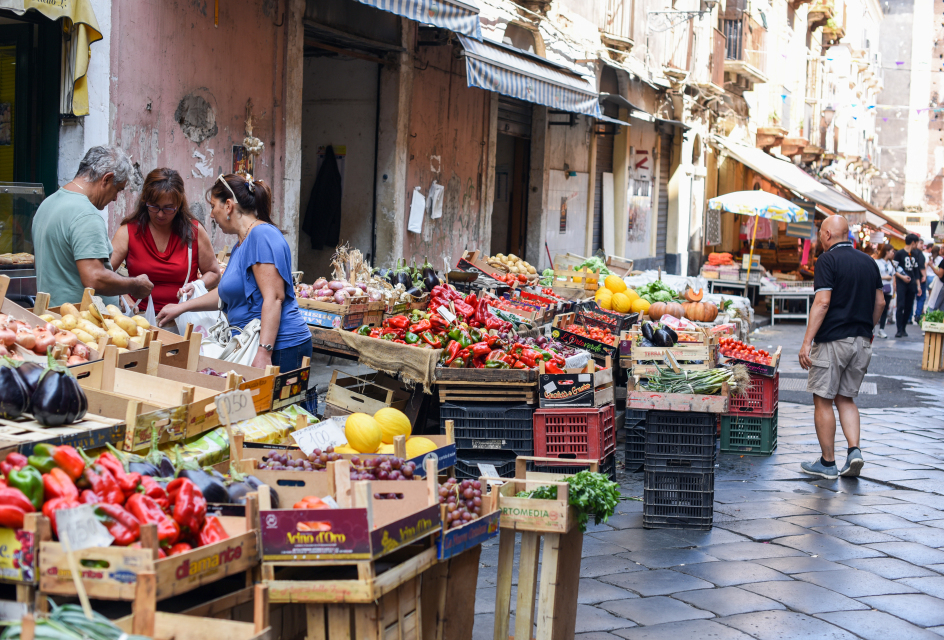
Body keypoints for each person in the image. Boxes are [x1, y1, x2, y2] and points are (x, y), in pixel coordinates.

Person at [155, 174, 312, 371]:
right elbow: (224, 295)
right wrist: (182, 307)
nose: (211, 215)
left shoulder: (261, 235)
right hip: (251, 344)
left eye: (213, 206)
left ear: (228, 206)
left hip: (281, 348)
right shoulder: (242, 243)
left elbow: (274, 298)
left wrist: (264, 352)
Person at [799, 215, 884, 479]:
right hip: (861, 340)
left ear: (826, 235)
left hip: (832, 341)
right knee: (846, 398)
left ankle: (827, 463)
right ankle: (854, 451)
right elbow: (880, 303)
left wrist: (806, 341)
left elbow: (822, 302)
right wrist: (866, 330)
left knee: (823, 399)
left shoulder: (827, 260)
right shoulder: (869, 262)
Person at [32, 146, 153, 307]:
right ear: (106, 179)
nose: (116, 198)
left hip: (54, 316)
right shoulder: (86, 214)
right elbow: (94, 277)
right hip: (79, 324)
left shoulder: (48, 203)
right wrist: (135, 284)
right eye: (117, 189)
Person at [109, 168, 221, 330]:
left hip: (183, 321)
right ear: (145, 201)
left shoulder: (194, 232)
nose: (160, 214)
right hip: (139, 321)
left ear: (179, 204)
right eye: (154, 207)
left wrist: (197, 285)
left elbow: (214, 273)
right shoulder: (128, 231)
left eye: (168, 208)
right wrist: (123, 294)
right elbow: (104, 273)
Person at [893, 233, 921, 338]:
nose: (917, 245)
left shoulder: (915, 254)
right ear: (913, 242)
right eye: (917, 243)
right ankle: (899, 329)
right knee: (900, 306)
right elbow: (893, 269)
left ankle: (904, 328)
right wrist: (902, 277)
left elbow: (916, 271)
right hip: (902, 284)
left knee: (909, 307)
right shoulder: (899, 253)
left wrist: (918, 285)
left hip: (912, 284)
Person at [872, 244, 895, 339]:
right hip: (878, 288)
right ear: (887, 251)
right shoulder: (877, 262)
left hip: (888, 289)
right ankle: (872, 326)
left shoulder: (891, 264)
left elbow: (894, 277)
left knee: (885, 308)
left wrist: (894, 289)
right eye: (892, 251)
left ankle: (881, 329)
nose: (893, 253)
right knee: (875, 307)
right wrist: (885, 277)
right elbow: (873, 276)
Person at [912, 238, 928, 323]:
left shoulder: (912, 253)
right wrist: (924, 276)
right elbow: (922, 267)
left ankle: (910, 317)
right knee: (921, 297)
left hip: (912, 278)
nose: (922, 245)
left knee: (912, 298)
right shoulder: (920, 254)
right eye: (920, 243)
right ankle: (918, 315)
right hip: (920, 279)